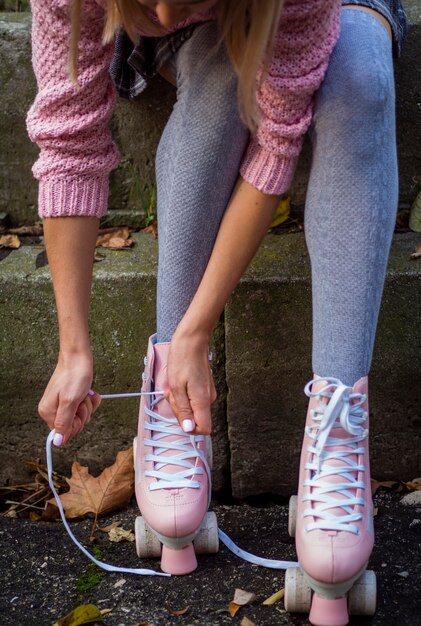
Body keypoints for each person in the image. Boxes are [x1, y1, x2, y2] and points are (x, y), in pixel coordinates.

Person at [26, 0, 408, 622]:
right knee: (222, 70)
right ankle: (170, 394)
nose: (162, 6)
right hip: (213, 33)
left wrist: (199, 329)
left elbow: (277, 143)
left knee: (360, 72)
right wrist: (75, 348)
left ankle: (340, 424)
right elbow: (69, 141)